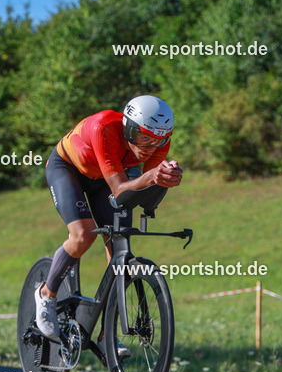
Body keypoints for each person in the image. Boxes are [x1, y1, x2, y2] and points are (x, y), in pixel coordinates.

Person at [35, 95, 183, 341]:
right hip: (69, 169)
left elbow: (146, 189)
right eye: (143, 137)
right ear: (128, 128)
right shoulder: (104, 128)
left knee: (119, 251)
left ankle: (107, 336)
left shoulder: (158, 142)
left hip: (108, 177)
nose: (150, 147)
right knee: (83, 235)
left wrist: (166, 179)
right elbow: (120, 189)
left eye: (159, 140)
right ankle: (46, 294)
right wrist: (151, 177)